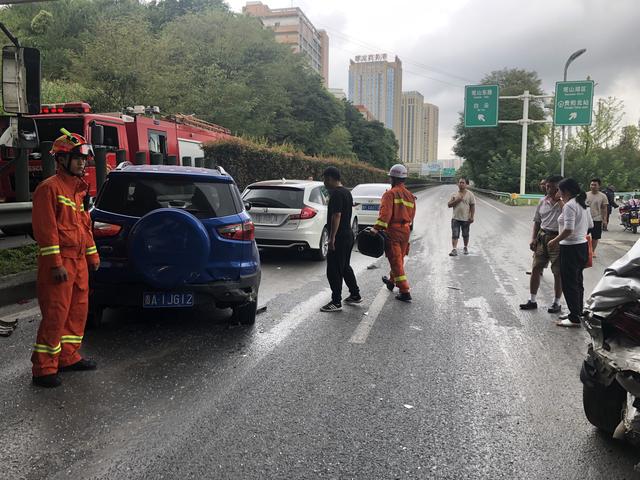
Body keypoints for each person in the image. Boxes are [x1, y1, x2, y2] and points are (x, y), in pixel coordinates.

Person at [31, 130, 100, 388]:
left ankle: (68, 357)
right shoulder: (49, 189)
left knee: (77, 311)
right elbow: (46, 231)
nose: (83, 163)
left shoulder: (77, 192)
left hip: (79, 261)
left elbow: (84, 227)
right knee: (56, 314)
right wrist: (56, 264)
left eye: (84, 159)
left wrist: (92, 257)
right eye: (77, 158)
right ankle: (44, 368)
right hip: (60, 264)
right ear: (61, 160)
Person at [548, 178, 593, 327]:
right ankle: (577, 312)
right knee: (577, 281)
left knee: (569, 283)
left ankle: (574, 318)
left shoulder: (570, 206)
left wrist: (554, 240)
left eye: (559, 190)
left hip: (570, 248)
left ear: (565, 191)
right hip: (582, 246)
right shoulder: (582, 204)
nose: (557, 192)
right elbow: (590, 225)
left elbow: (568, 229)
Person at [370, 164, 416, 302]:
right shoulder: (410, 195)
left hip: (393, 231)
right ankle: (391, 281)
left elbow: (385, 215)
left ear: (393, 178)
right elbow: (412, 215)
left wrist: (376, 228)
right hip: (406, 230)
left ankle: (404, 290)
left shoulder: (390, 194)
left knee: (396, 260)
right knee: (399, 257)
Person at [519, 175, 564, 313]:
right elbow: (537, 221)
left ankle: (556, 302)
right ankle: (532, 300)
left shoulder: (566, 203)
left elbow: (569, 216)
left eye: (550, 186)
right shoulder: (542, 201)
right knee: (536, 268)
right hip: (542, 236)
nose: (547, 188)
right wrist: (533, 238)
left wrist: (560, 200)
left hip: (557, 238)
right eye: (546, 186)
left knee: (557, 272)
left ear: (558, 187)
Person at [320, 167, 361, 312]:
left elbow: (336, 216)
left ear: (330, 178)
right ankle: (355, 294)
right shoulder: (346, 192)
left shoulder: (337, 194)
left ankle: (336, 301)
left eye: (325, 179)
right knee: (344, 267)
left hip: (339, 237)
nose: (324, 182)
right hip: (348, 234)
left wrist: (332, 239)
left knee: (333, 270)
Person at [448, 177, 476, 256]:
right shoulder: (454, 194)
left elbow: (472, 206)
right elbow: (449, 205)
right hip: (455, 218)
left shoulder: (470, 194)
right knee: (455, 234)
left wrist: (472, 216)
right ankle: (454, 249)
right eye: (460, 182)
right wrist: (456, 200)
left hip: (466, 218)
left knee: (465, 234)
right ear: (457, 184)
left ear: (466, 184)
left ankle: (465, 247)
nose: (461, 184)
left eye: (463, 183)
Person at [585, 178, 608, 256]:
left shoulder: (603, 196)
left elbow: (604, 208)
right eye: (591, 184)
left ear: (599, 186)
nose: (593, 186)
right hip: (586, 219)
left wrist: (605, 220)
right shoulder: (585, 195)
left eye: (595, 185)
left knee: (595, 237)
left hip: (597, 219)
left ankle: (592, 251)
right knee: (583, 236)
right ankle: (584, 250)